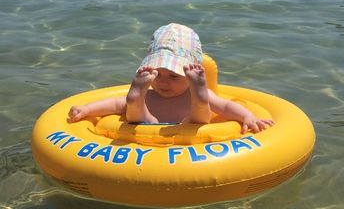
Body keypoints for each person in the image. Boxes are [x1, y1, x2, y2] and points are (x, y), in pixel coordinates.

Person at [68, 23, 274, 133]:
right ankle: (135, 99)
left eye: (174, 76)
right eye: (157, 74)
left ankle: (198, 97)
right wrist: (87, 110)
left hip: (188, 126)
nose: (163, 83)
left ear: (190, 73)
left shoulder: (205, 96)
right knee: (138, 114)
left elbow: (228, 107)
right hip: (145, 126)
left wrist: (248, 117)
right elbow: (113, 105)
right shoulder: (149, 96)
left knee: (198, 117)